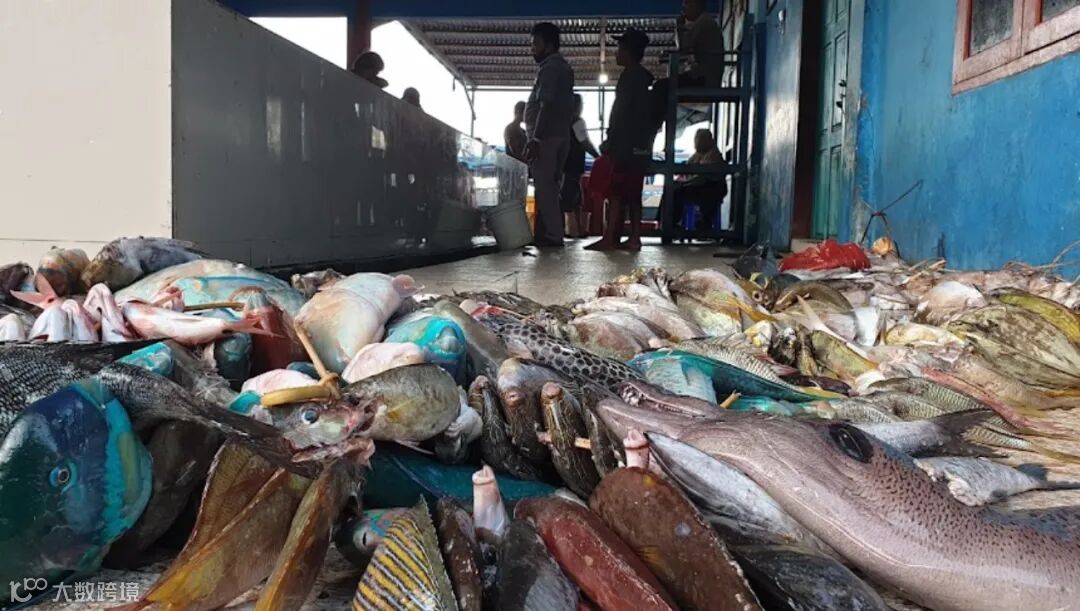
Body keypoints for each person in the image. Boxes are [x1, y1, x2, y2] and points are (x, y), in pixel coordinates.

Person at [585, 27, 654, 252]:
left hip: (626, 146)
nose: (617, 53)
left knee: (617, 192)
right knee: (633, 194)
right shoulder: (642, 80)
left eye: (620, 49)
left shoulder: (630, 78)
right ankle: (633, 238)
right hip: (640, 146)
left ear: (629, 52)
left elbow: (621, 115)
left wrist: (611, 141)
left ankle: (610, 238)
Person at [524, 22, 576, 247]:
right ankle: (551, 233)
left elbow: (545, 105)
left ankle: (553, 236)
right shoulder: (564, 68)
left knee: (545, 188)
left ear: (549, 45)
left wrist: (536, 138)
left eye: (536, 44)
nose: (532, 49)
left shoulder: (550, 69)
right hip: (560, 134)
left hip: (546, 137)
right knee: (552, 188)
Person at [672, 128, 728, 231]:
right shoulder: (698, 155)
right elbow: (687, 168)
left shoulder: (713, 154)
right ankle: (666, 221)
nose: (696, 142)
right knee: (670, 189)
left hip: (711, 189)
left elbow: (702, 178)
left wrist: (685, 183)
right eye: (696, 139)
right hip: (699, 186)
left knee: (677, 192)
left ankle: (674, 223)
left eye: (699, 139)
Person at [561, 94, 601, 239]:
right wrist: (598, 157)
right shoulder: (577, 121)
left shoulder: (562, 122)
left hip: (564, 164)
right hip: (574, 164)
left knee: (571, 195)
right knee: (572, 197)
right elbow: (584, 142)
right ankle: (575, 229)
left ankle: (573, 228)